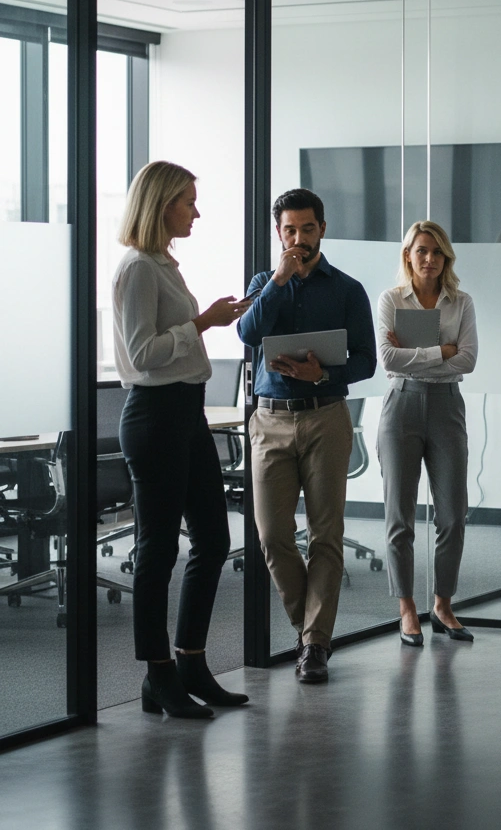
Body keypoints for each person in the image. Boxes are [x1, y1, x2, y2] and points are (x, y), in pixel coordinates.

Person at [113, 160, 251, 719]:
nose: (196, 210)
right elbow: (142, 355)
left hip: (187, 414)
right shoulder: (138, 269)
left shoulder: (166, 264)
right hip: (155, 416)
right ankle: (158, 676)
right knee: (158, 551)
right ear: (160, 204)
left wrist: (213, 320)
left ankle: (191, 662)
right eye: (188, 200)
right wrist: (203, 323)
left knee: (214, 541)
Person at [238, 189, 375, 684]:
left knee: (325, 533)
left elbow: (366, 360)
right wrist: (278, 280)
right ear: (279, 233)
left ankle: (314, 645)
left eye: (307, 229)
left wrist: (322, 374)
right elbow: (248, 335)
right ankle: (309, 629)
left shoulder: (347, 289)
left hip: (325, 416)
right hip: (270, 421)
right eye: (289, 231)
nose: (299, 239)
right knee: (273, 535)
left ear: (322, 228)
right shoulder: (263, 282)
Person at [377, 221, 479, 646]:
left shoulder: (462, 302)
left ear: (446, 258)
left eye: (437, 252)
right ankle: (406, 609)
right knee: (399, 517)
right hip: (401, 407)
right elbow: (388, 359)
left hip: (446, 407)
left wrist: (416, 355)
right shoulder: (391, 300)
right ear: (408, 255)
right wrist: (441, 352)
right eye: (422, 251)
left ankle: (442, 604)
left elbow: (468, 361)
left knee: (453, 515)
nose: (430, 259)